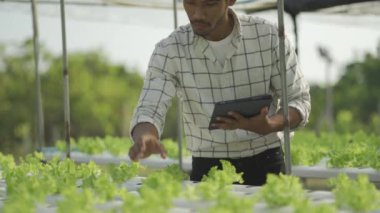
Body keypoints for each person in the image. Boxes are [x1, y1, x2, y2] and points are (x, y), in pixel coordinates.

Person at [128, 0, 311, 186]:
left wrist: (271, 124)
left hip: (267, 162)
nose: (198, 14)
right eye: (190, 3)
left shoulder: (268, 36)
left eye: (209, 4)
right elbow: (150, 107)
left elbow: (299, 99)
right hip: (208, 168)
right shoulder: (169, 50)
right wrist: (147, 135)